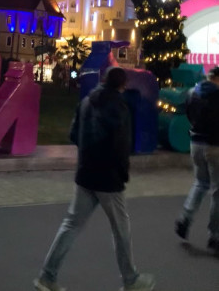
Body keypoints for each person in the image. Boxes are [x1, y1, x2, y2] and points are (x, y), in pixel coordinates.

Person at [34, 66, 155, 291]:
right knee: (121, 230)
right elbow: (122, 146)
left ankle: (47, 276)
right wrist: (123, 173)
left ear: (103, 80)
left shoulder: (87, 102)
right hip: (109, 179)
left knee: (70, 225)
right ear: (123, 85)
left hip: (85, 173)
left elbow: (73, 134)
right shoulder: (120, 107)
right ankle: (131, 280)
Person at [175, 66, 219, 251]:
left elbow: (188, 114)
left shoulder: (193, 92)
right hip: (214, 145)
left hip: (195, 143)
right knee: (217, 191)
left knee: (200, 183)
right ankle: (214, 235)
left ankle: (185, 218)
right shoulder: (217, 95)